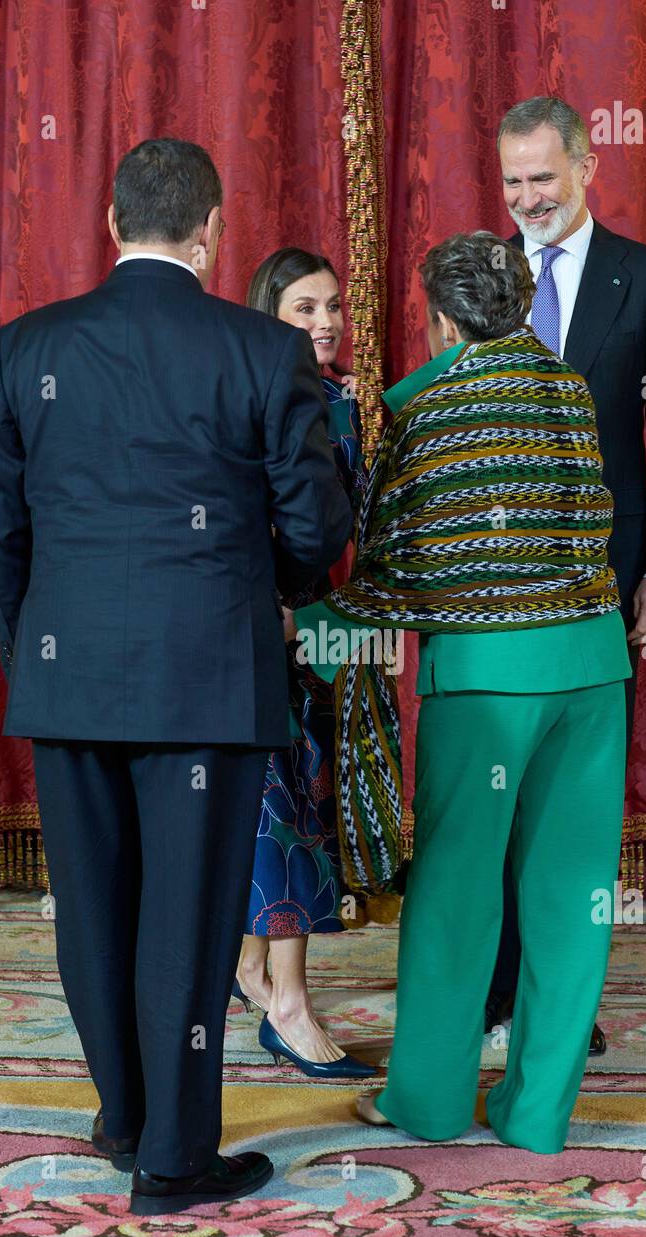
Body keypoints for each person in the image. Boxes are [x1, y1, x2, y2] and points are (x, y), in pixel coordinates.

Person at [0, 139, 352, 1216]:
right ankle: (175, 1160)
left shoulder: (22, 346)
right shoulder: (260, 349)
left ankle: (126, 1119)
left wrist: (35, 653)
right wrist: (264, 587)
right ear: (212, 230)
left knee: (94, 912)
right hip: (209, 680)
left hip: (68, 677)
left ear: (109, 219)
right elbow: (315, 525)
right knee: (184, 920)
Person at [288, 232, 631, 1152]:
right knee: (571, 899)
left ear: (440, 317)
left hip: (485, 686)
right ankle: (537, 1116)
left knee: (454, 894)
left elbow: (398, 567)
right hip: (594, 673)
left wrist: (311, 634)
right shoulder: (569, 387)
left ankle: (431, 1105)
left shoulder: (431, 405)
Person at [485, 96, 646, 1046]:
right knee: (493, 793)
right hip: (490, 581)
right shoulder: (482, 276)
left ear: (587, 168)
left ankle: (562, 1000)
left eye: (542, 176)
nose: (527, 197)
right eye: (512, 181)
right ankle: (495, 993)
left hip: (599, 585)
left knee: (572, 809)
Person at [234, 249, 374, 1079]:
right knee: (282, 810)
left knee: (290, 801)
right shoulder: (253, 391)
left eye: (331, 307)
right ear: (268, 315)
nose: (324, 323)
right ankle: (286, 1002)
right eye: (303, 309)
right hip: (261, 624)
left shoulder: (339, 399)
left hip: (314, 629)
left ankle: (254, 971)